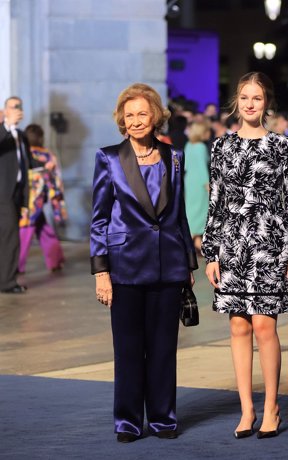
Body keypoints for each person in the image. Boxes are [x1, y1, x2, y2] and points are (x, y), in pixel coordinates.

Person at [202, 72, 288, 440]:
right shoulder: (221, 147)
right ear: (236, 100)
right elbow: (215, 203)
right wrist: (211, 251)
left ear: (266, 103)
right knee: (238, 325)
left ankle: (272, 406)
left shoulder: (282, 146)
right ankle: (246, 408)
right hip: (231, 243)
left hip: (269, 243)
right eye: (245, 97)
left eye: (257, 98)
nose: (250, 104)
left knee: (265, 325)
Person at [90, 83, 198, 443]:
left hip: (168, 265)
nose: (135, 121)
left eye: (142, 114)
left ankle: (164, 418)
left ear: (156, 118)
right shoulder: (108, 158)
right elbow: (99, 220)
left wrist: (188, 264)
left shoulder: (175, 157)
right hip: (124, 266)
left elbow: (179, 214)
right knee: (129, 348)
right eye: (129, 115)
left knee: (165, 348)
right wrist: (101, 272)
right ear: (122, 120)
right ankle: (128, 421)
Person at [18, 124, 67, 273]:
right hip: (38, 200)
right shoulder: (47, 155)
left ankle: (15, 266)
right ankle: (55, 260)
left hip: (24, 200)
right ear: (41, 137)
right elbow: (56, 180)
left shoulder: (22, 153)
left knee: (25, 232)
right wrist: (58, 206)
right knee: (42, 229)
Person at [0, 96, 31, 294]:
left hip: (17, 193)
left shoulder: (21, 135)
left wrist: (45, 165)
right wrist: (7, 125)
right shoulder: (2, 132)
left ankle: (6, 279)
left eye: (19, 107)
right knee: (11, 238)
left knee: (9, 238)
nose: (16, 110)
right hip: (3, 193)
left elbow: (26, 162)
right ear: (4, 110)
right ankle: (7, 282)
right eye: (12, 107)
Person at [183, 121, 211, 254]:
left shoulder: (188, 145)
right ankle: (190, 241)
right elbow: (202, 167)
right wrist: (207, 184)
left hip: (190, 181)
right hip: (200, 183)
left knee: (192, 210)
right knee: (200, 211)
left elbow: (186, 165)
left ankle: (197, 243)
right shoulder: (201, 147)